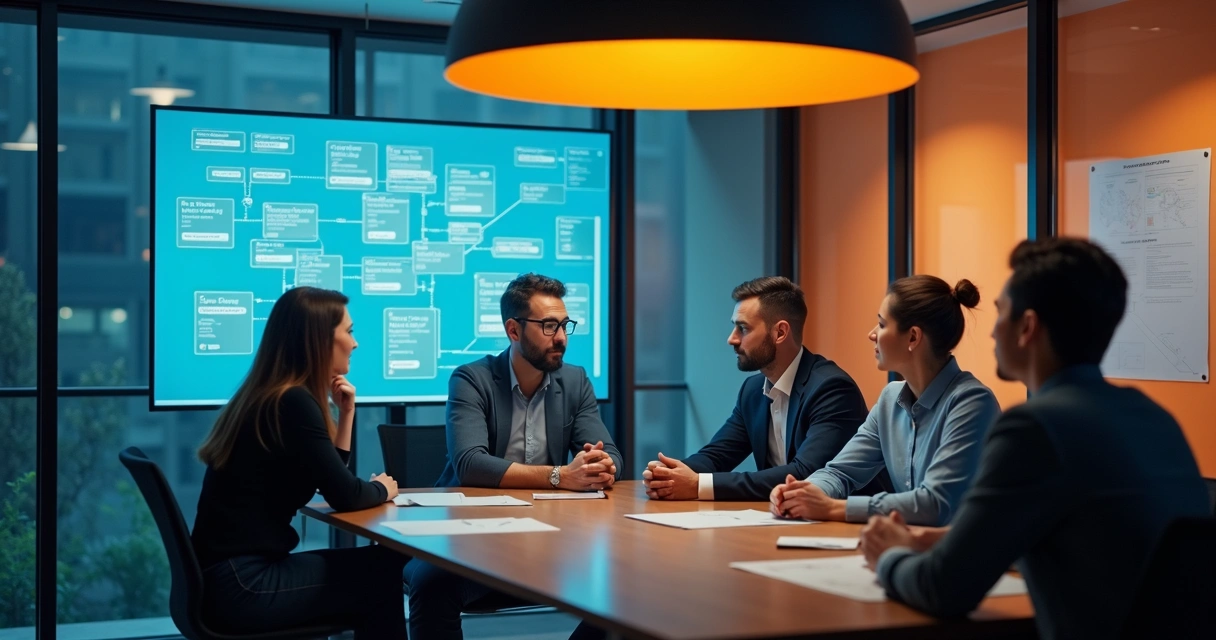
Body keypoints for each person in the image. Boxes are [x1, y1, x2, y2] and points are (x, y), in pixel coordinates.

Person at [859, 238, 1210, 640]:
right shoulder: (1154, 419)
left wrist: (888, 556)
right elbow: (1072, 536)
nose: (991, 332)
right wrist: (929, 539)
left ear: (1027, 328)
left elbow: (943, 589)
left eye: (1001, 314)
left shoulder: (1035, 429)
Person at [409, 273, 621, 640]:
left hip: (552, 534)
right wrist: (561, 476)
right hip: (473, 533)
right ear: (513, 330)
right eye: (549, 326)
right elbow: (471, 464)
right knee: (432, 583)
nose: (562, 338)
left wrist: (602, 466)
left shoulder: (575, 381)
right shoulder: (472, 378)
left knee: (631, 577)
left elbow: (610, 452)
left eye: (565, 325)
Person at [191, 286, 405, 638]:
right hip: (244, 585)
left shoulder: (269, 396)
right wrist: (383, 488)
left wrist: (346, 413)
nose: (355, 343)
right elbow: (346, 495)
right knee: (381, 572)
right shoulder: (293, 403)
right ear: (320, 340)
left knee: (376, 570)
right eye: (348, 332)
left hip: (223, 580)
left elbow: (329, 477)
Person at [770, 275, 999, 526]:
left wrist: (833, 508)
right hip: (909, 548)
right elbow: (840, 471)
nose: (872, 334)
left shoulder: (972, 402)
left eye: (881, 324)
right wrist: (801, 492)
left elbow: (935, 504)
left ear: (912, 337)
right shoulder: (891, 398)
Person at [643, 276, 878, 501]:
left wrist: (698, 485)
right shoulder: (753, 390)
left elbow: (805, 473)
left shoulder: (831, 389)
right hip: (781, 518)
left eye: (742, 329)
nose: (731, 339)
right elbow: (717, 455)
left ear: (780, 332)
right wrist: (668, 475)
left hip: (843, 528)